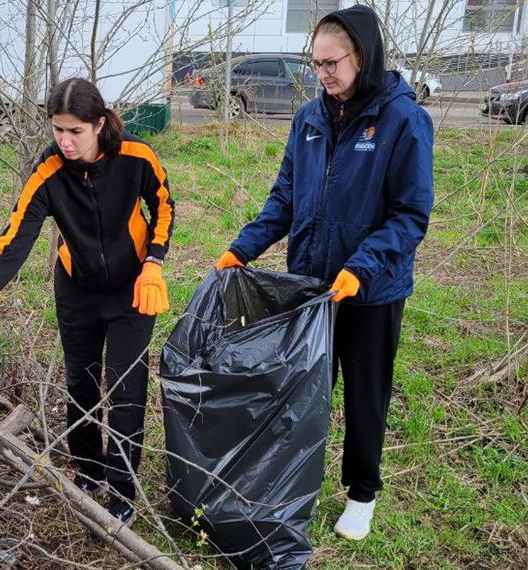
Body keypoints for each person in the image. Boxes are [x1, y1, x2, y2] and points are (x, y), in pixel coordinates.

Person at [214, 5, 433, 541]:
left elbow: (411, 214)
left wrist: (362, 267)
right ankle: (295, 483)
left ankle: (362, 493)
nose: (323, 74)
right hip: (311, 286)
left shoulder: (402, 120)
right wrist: (242, 249)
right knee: (303, 393)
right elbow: (285, 198)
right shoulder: (309, 119)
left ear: (362, 55)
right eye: (315, 64)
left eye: (331, 63)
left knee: (364, 395)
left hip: (370, 290)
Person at [0, 77, 175, 524]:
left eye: (75, 131)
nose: (64, 141)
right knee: (80, 382)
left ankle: (121, 490)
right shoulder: (49, 171)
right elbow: (11, 245)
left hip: (132, 289)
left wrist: (154, 261)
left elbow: (164, 206)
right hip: (77, 288)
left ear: (99, 124)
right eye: (57, 129)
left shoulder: (136, 155)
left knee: (126, 389)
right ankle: (88, 470)